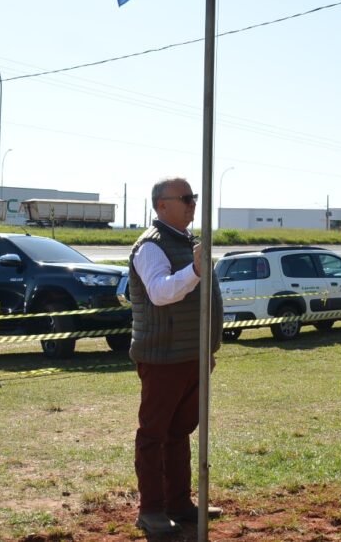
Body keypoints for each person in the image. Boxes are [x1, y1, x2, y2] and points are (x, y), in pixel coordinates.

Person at [128, 177, 224, 535]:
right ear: (161, 205)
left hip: (191, 356)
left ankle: (179, 503)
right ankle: (151, 509)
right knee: (154, 434)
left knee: (180, 431)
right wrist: (196, 270)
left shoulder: (188, 243)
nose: (192, 203)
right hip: (163, 357)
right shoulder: (150, 246)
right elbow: (160, 292)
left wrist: (208, 349)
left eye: (193, 197)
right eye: (185, 198)